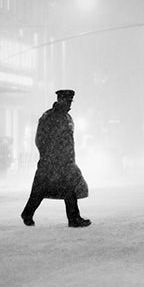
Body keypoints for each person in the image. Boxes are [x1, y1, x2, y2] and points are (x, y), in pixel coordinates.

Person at [21, 89, 90, 227]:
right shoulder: (49, 117)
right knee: (40, 190)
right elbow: (39, 139)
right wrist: (49, 155)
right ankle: (28, 213)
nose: (69, 104)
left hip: (65, 162)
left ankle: (74, 218)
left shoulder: (67, 118)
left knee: (68, 188)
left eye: (71, 101)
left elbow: (69, 141)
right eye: (67, 101)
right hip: (50, 161)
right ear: (59, 99)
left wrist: (69, 158)